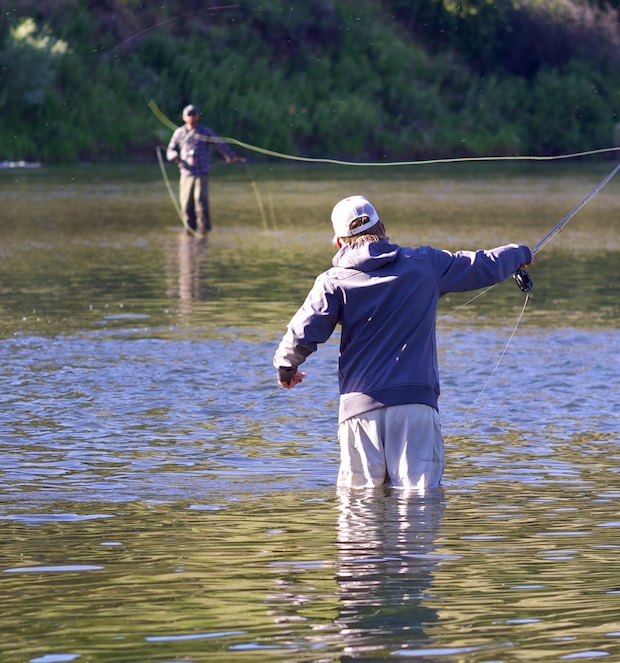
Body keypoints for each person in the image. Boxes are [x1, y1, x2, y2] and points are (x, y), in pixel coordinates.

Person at [273, 195, 534, 490]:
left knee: (360, 512)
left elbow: (301, 333)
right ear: (383, 227)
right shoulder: (426, 263)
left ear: (339, 243)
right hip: (415, 407)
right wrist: (520, 253)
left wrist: (286, 370)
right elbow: (482, 264)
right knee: (418, 506)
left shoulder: (332, 282)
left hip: (359, 412)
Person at [166, 104, 239, 235]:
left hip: (201, 173)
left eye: (194, 114)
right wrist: (173, 155)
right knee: (186, 204)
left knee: (201, 203)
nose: (192, 117)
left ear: (197, 116)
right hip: (186, 173)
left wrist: (230, 156)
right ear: (184, 117)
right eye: (189, 114)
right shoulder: (179, 133)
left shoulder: (205, 132)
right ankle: (189, 232)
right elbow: (170, 150)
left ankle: (205, 232)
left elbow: (219, 144)